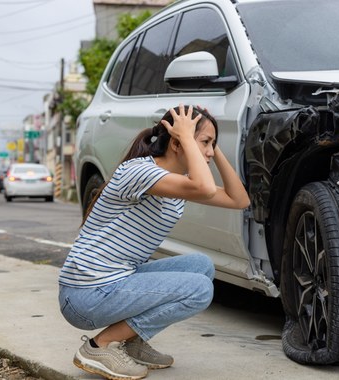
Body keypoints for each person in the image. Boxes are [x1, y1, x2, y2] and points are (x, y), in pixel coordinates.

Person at [58, 105, 250, 380]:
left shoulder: (177, 184)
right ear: (176, 142)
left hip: (110, 284)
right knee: (199, 289)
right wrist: (188, 136)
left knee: (201, 266)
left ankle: (131, 342)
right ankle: (99, 346)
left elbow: (239, 200)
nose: (208, 152)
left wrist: (211, 146)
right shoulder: (139, 172)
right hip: (85, 294)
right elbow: (205, 187)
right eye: (205, 143)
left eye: (211, 145)